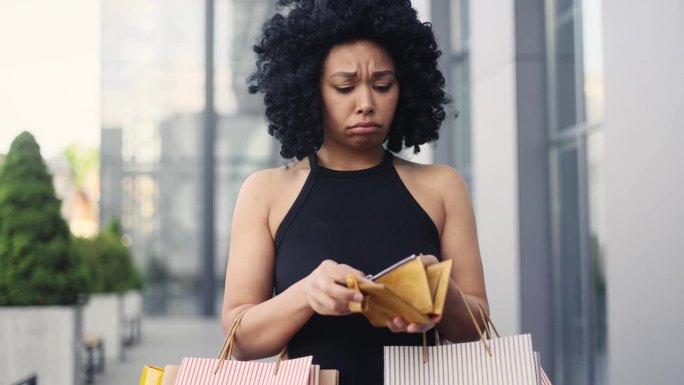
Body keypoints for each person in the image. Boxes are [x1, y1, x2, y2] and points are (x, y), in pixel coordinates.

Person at [221, 1, 488, 384]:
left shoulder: (442, 187)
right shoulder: (265, 193)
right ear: (310, 89)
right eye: (344, 87)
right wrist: (307, 294)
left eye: (383, 85)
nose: (366, 104)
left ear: (405, 87)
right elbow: (239, 339)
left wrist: (439, 291)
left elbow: (477, 326)